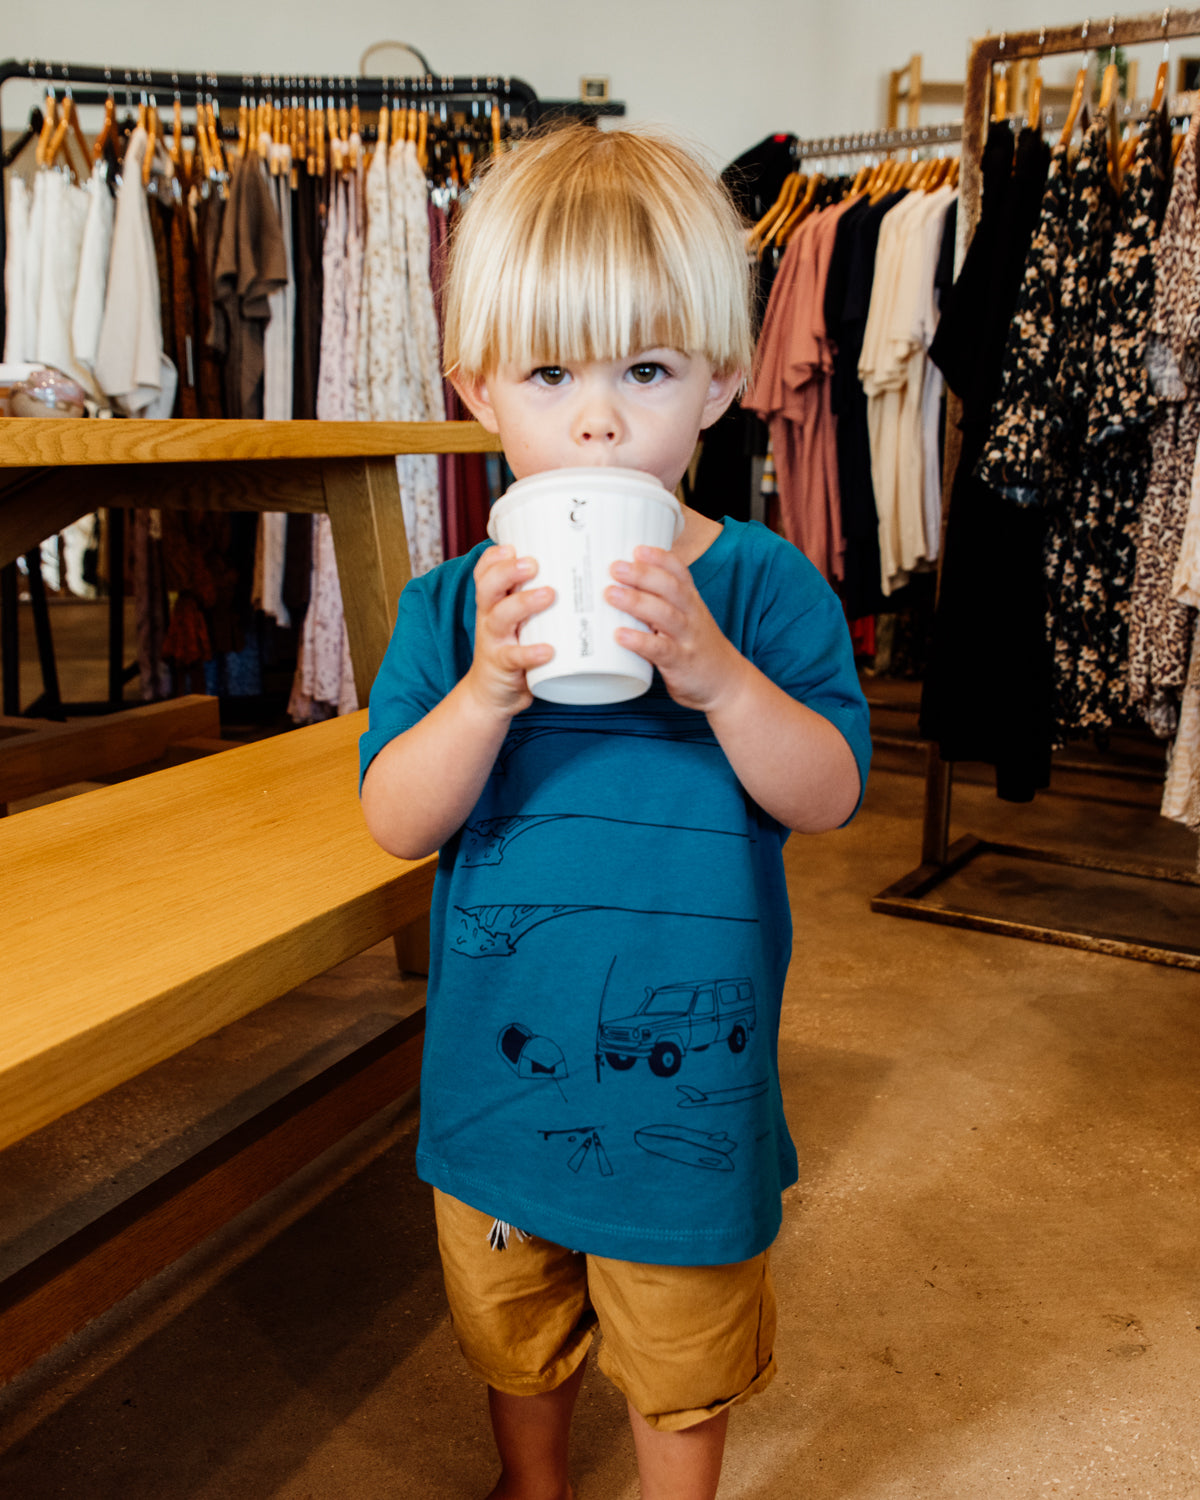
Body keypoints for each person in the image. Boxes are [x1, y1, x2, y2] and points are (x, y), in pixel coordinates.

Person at [359, 124, 872, 1500]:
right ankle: (534, 1486)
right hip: (495, 1089)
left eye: (645, 371)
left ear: (715, 384)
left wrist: (716, 676)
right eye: (550, 372)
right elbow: (396, 821)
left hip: (688, 1097)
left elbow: (827, 794)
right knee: (513, 1337)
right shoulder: (448, 607)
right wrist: (481, 694)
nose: (598, 420)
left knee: (682, 1351)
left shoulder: (762, 588)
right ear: (477, 391)